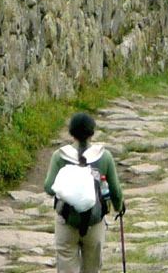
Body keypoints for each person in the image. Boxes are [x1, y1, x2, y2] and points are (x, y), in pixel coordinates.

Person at [43, 113, 126, 273]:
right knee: (92, 268)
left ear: (71, 132)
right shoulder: (104, 157)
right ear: (92, 132)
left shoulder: (60, 156)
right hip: (94, 222)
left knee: (66, 265)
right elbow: (115, 190)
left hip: (66, 220)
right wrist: (118, 206)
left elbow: (48, 187)